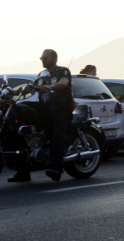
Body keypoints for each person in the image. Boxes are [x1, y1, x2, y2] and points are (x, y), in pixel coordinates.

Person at [8, 49, 75, 182]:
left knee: (56, 135)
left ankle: (57, 168)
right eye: (41, 58)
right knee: (20, 116)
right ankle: (23, 171)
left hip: (61, 109)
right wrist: (13, 92)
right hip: (45, 109)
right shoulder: (41, 74)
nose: (43, 60)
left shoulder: (63, 71)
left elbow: (63, 83)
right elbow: (29, 87)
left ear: (54, 59)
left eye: (46, 58)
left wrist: (50, 87)